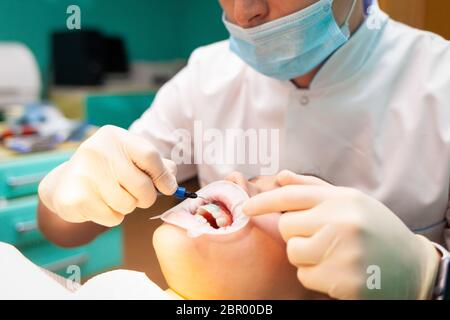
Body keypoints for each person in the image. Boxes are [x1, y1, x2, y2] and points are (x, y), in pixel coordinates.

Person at [38, 0, 450, 299]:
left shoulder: (439, 80)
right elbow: (63, 227)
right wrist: (68, 192)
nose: (242, 12)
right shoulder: (206, 74)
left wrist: (429, 275)